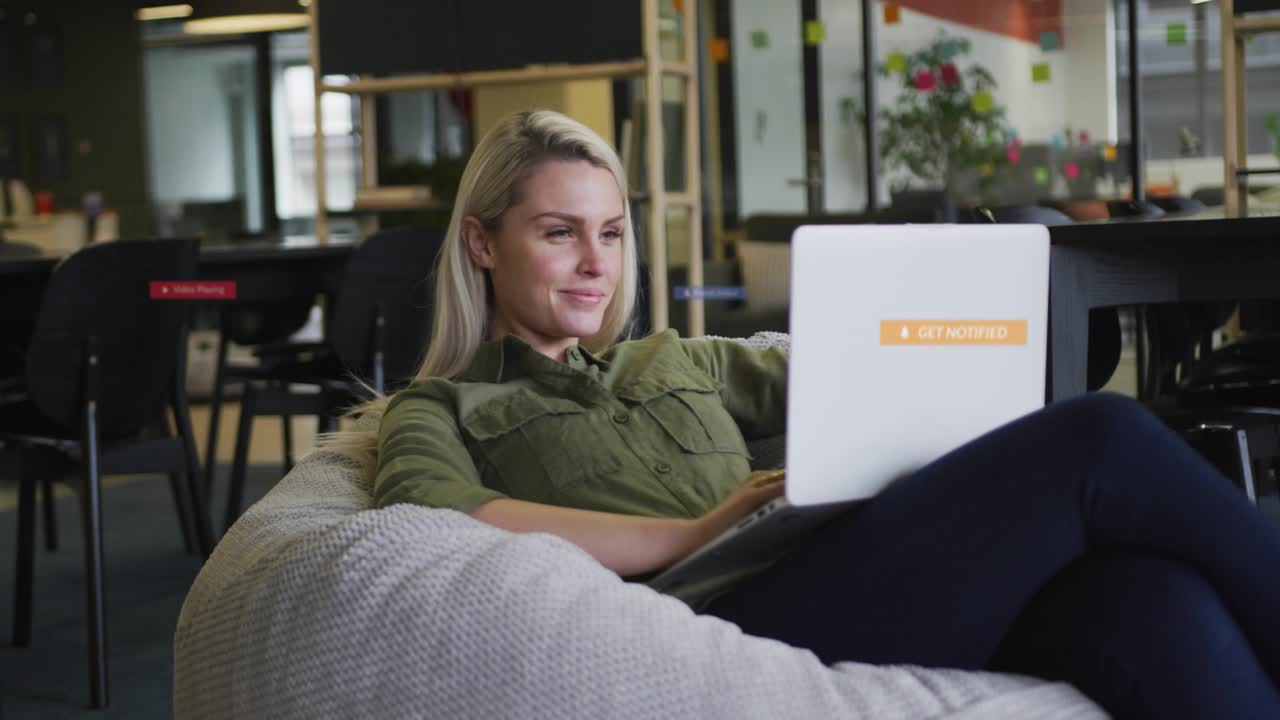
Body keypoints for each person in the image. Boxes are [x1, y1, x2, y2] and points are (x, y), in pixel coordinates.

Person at [325, 110, 1280, 719]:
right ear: (482, 244)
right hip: (730, 619)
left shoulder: (674, 358)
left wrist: (962, 316)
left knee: (1150, 603)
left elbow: (859, 368)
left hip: (837, 565)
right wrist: (692, 530)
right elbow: (453, 518)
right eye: (558, 233)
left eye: (611, 234)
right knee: (1099, 437)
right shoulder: (440, 406)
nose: (594, 262)